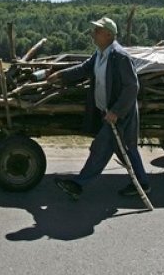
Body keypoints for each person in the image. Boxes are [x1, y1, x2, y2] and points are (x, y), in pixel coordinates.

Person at [47, 17, 150, 199]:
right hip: (110, 112)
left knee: (100, 147)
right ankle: (142, 183)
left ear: (109, 34)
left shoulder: (120, 56)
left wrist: (116, 111)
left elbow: (132, 87)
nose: (93, 34)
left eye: (97, 31)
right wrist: (61, 75)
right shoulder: (100, 53)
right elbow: (84, 69)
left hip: (121, 114)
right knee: (127, 149)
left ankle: (78, 185)